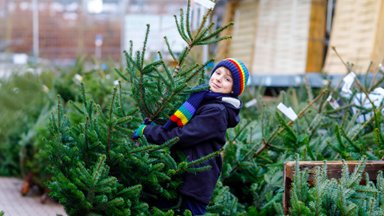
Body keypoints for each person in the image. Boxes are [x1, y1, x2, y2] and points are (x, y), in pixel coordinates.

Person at [132, 58, 249, 215]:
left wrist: (148, 132)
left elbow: (182, 136)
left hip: (196, 180)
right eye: (218, 72)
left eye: (227, 79)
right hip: (178, 174)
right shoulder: (203, 98)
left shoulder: (217, 111)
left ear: (233, 90)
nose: (219, 79)